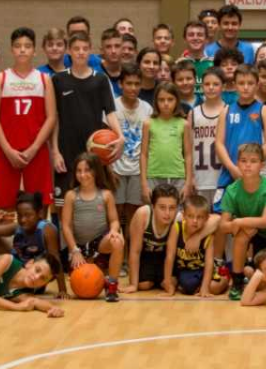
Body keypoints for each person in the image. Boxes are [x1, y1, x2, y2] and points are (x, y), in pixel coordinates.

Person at [51, 32, 122, 221]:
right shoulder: (58, 80)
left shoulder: (100, 80)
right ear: (69, 51)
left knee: (95, 206)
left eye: (84, 49)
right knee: (62, 206)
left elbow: (110, 113)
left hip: (93, 153)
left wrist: (120, 136)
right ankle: (64, 250)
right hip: (66, 152)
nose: (81, 53)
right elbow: (54, 118)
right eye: (76, 49)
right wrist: (55, 151)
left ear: (90, 51)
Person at [0, 27, 57, 212]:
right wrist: (8, 150)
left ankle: (38, 241)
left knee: (39, 205)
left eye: (27, 46)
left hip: (36, 150)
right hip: (7, 152)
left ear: (34, 50)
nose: (22, 50)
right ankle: (10, 241)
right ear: (12, 49)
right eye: (18, 46)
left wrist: (34, 148)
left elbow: (51, 117)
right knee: (4, 206)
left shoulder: (44, 79)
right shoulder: (0, 78)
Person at [219, 144, 266, 299]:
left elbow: (265, 222)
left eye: (253, 161)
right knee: (241, 236)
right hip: (247, 235)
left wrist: (240, 222)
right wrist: (238, 225)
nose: (248, 165)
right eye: (243, 160)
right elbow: (223, 226)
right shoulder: (232, 189)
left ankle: (252, 272)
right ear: (237, 163)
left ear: (262, 165)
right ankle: (238, 281)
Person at [62, 153, 123, 302]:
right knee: (84, 284)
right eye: (79, 170)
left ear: (96, 171)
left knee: (118, 241)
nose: (83, 175)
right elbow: (66, 226)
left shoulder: (106, 195)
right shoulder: (71, 196)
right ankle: (95, 268)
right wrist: (74, 251)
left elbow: (114, 221)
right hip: (79, 247)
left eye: (87, 170)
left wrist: (114, 231)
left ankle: (111, 285)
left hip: (99, 244)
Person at [214, 65, 266, 205]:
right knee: (224, 218)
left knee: (256, 217)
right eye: (241, 83)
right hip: (231, 173)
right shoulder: (226, 111)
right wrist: (232, 168)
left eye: (250, 83)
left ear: (257, 85)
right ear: (235, 85)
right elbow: (219, 143)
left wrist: (252, 167)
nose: (246, 87)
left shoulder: (265, 110)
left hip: (258, 173)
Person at [112, 63, 153, 230]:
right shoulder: (112, 106)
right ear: (120, 84)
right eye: (129, 83)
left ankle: (129, 254)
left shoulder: (147, 108)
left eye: (137, 84)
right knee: (116, 212)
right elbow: (103, 141)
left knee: (133, 216)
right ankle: (117, 251)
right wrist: (108, 168)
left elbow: (149, 144)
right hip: (116, 169)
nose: (133, 88)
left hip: (137, 170)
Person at [162, 194, 227, 297]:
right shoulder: (176, 228)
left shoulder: (208, 235)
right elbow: (169, 257)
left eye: (199, 217)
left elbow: (209, 263)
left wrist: (205, 288)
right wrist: (167, 283)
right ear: (183, 216)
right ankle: (194, 287)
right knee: (181, 284)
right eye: (190, 216)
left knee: (214, 288)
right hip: (183, 270)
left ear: (206, 219)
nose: (195, 221)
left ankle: (225, 278)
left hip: (202, 270)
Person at [123, 183, 179, 293]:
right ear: (153, 207)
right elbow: (135, 251)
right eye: (162, 207)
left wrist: (168, 281)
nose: (167, 213)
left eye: (172, 208)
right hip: (146, 256)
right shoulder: (143, 214)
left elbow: (170, 254)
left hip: (167, 257)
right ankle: (153, 279)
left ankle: (163, 279)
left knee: (171, 282)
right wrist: (133, 285)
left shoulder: (179, 218)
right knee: (143, 285)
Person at [141, 83, 191, 201]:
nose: (166, 103)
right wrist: (144, 183)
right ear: (156, 101)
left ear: (177, 101)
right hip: (153, 176)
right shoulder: (148, 123)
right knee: (155, 212)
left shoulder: (184, 124)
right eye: (161, 100)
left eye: (170, 99)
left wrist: (188, 183)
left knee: (177, 214)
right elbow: (143, 155)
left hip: (178, 176)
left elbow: (188, 155)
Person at [188, 68, 226, 207]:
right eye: (207, 84)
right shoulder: (193, 113)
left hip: (222, 177)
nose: (211, 88)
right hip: (200, 177)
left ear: (224, 86)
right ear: (201, 86)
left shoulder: (229, 111)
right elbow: (188, 149)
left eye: (216, 84)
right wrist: (190, 177)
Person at [182, 20, 212, 96]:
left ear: (207, 39)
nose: (195, 38)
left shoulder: (214, 65)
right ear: (185, 39)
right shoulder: (178, 65)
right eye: (191, 35)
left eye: (200, 35)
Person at [99, 28, 125, 96]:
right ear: (102, 50)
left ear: (123, 49)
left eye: (117, 46)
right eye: (108, 47)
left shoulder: (129, 73)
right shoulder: (94, 74)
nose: (113, 51)